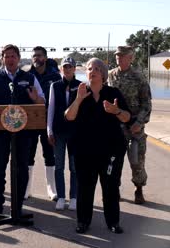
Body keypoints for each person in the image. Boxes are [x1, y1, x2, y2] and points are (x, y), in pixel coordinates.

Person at [65, 58, 131, 234]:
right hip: (84, 151)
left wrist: (116, 111)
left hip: (111, 152)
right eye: (88, 68)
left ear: (102, 74)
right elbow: (69, 116)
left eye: (96, 68)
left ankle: (113, 222)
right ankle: (83, 222)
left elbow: (127, 117)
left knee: (110, 188)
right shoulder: (79, 91)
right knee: (85, 188)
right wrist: (78, 100)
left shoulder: (113, 93)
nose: (91, 71)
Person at [0, 44, 45, 220]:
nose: (10, 59)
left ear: (18, 58)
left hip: (23, 133)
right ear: (2, 59)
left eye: (13, 56)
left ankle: (17, 208)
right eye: (6, 56)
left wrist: (34, 98)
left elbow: (42, 101)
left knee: (21, 169)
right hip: (0, 132)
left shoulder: (29, 77)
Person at [108, 46, 152, 204]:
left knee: (136, 160)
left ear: (131, 58)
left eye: (122, 56)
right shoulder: (111, 76)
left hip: (134, 126)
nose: (119, 58)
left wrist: (139, 123)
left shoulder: (139, 77)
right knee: (114, 161)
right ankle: (115, 189)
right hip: (116, 126)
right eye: (117, 56)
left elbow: (147, 104)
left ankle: (139, 189)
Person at [25, 46, 61, 201]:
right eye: (34, 56)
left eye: (39, 56)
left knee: (50, 155)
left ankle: (51, 189)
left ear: (45, 58)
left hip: (49, 121)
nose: (36, 58)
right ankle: (26, 189)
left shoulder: (54, 75)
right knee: (29, 154)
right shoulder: (27, 76)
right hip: (31, 121)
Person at [47, 57, 80, 210]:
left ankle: (74, 197)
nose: (67, 69)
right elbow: (51, 109)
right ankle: (61, 197)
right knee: (59, 166)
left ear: (74, 69)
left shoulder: (80, 86)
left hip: (74, 133)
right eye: (65, 67)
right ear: (61, 69)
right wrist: (49, 130)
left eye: (70, 67)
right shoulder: (55, 86)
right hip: (59, 131)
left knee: (74, 167)